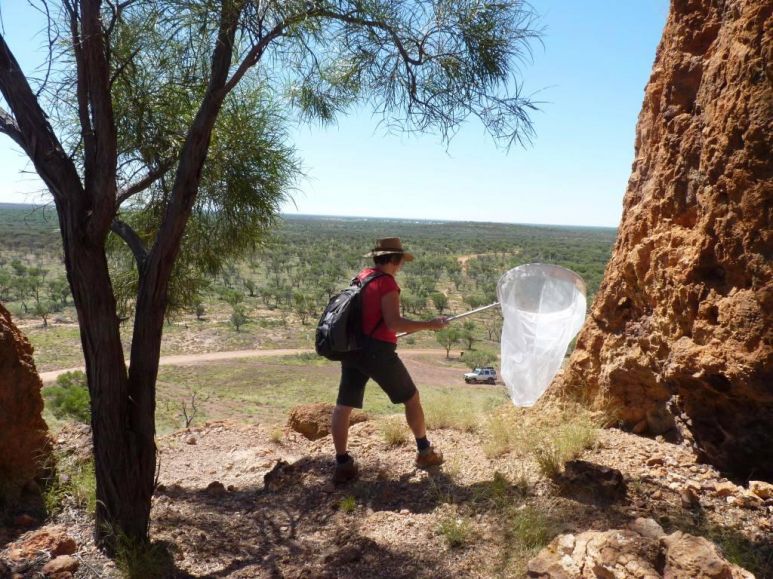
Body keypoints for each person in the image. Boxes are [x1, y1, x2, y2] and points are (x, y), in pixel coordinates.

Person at [332, 237, 449, 483]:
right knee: (411, 398)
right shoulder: (386, 283)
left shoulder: (363, 276)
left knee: (343, 406)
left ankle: (342, 464)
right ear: (394, 260)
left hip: (353, 350)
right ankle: (424, 452)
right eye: (401, 260)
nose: (401, 265)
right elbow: (394, 323)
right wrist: (429, 324)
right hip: (377, 353)